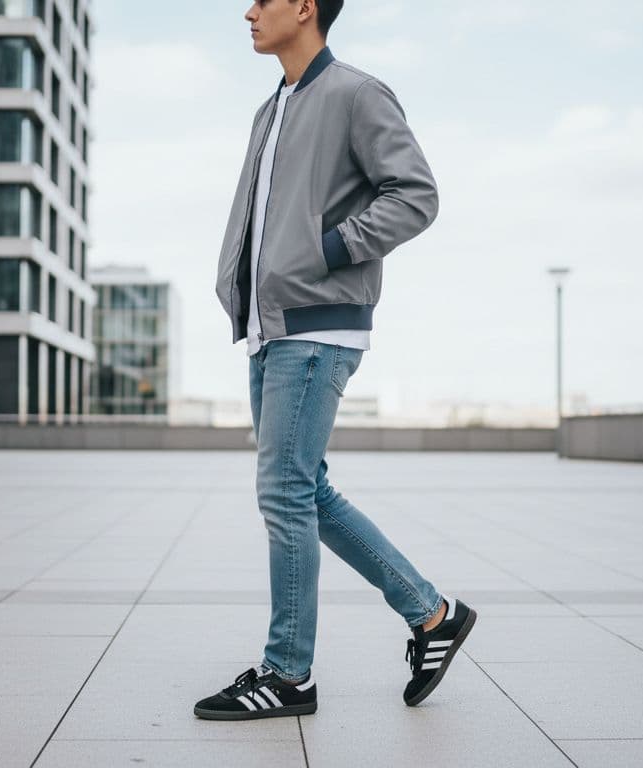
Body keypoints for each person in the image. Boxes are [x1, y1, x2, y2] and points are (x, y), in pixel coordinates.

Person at [195, 0, 479, 721]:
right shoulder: (273, 108)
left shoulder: (356, 93)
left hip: (317, 328)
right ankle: (431, 614)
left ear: (304, 7)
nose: (249, 11)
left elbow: (416, 195)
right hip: (271, 327)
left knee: (284, 492)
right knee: (304, 490)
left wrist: (329, 250)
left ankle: (289, 674)